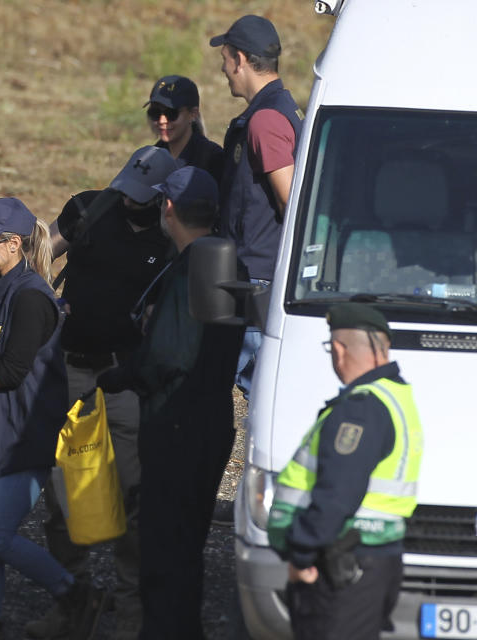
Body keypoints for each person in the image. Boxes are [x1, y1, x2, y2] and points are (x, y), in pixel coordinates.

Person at [28, 145, 178, 640]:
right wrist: (44, 293)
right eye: (125, 190)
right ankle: (74, 599)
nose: (128, 201)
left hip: (126, 383)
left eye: (140, 196)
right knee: (61, 493)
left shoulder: (172, 236)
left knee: (132, 499)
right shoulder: (90, 208)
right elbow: (42, 254)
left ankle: (132, 617)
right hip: (72, 372)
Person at [0, 197, 107, 640]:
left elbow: (11, 372)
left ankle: (75, 593)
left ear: (13, 244)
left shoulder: (32, 297)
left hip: (24, 436)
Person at [96, 167, 245, 639]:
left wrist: (119, 374)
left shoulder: (191, 267)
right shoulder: (226, 261)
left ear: (170, 209)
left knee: (165, 554)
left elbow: (169, 356)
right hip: (208, 419)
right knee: (185, 550)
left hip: (180, 425)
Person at [267, 304, 422, 639]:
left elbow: (338, 493)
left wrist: (302, 553)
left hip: (340, 564)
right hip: (368, 561)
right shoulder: (395, 395)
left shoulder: (362, 409)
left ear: (338, 350)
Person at [209, 15, 303, 397]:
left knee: (247, 391)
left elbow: (291, 200)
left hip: (257, 280)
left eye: (226, 57)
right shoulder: (277, 109)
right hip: (257, 277)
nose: (223, 67)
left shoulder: (265, 120)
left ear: (241, 60)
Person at [145, 75, 223, 181]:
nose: (162, 121)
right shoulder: (149, 157)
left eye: (171, 113)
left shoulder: (213, 159)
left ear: (193, 114)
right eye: (155, 113)